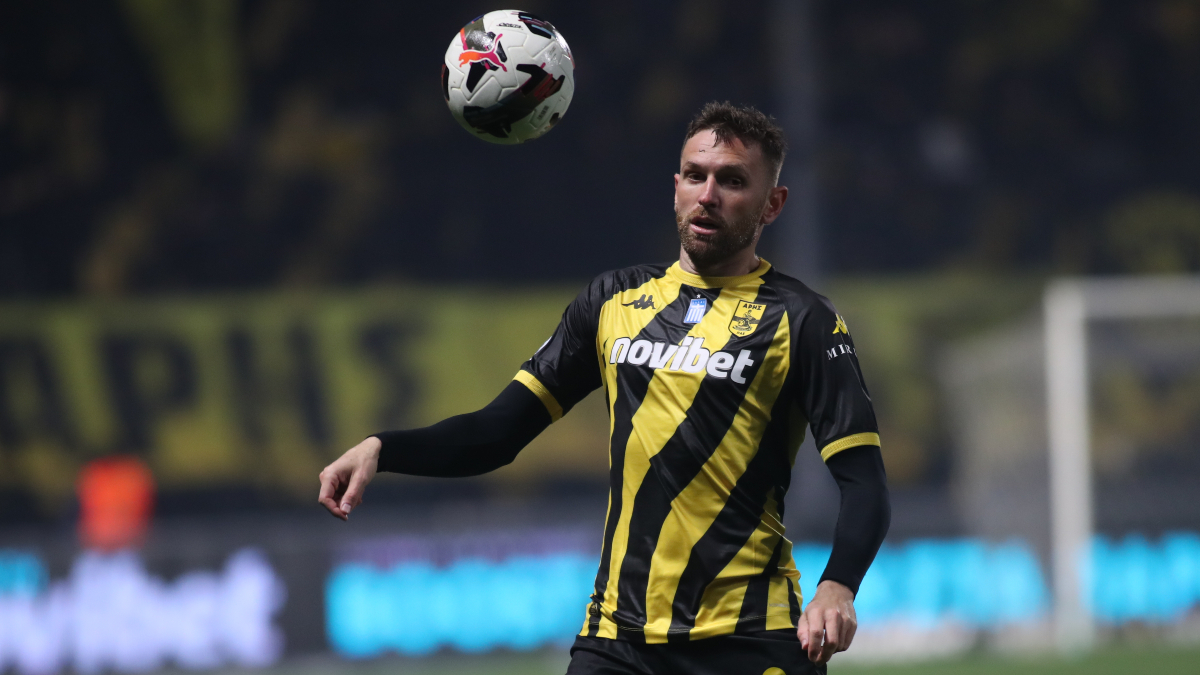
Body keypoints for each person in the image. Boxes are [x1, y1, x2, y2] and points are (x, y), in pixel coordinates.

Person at [318, 101, 890, 675]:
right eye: (695, 176)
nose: (708, 195)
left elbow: (864, 481)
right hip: (618, 642)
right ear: (675, 188)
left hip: (750, 638)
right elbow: (498, 433)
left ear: (773, 203)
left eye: (733, 181)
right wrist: (382, 448)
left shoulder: (803, 320)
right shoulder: (612, 301)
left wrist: (837, 586)